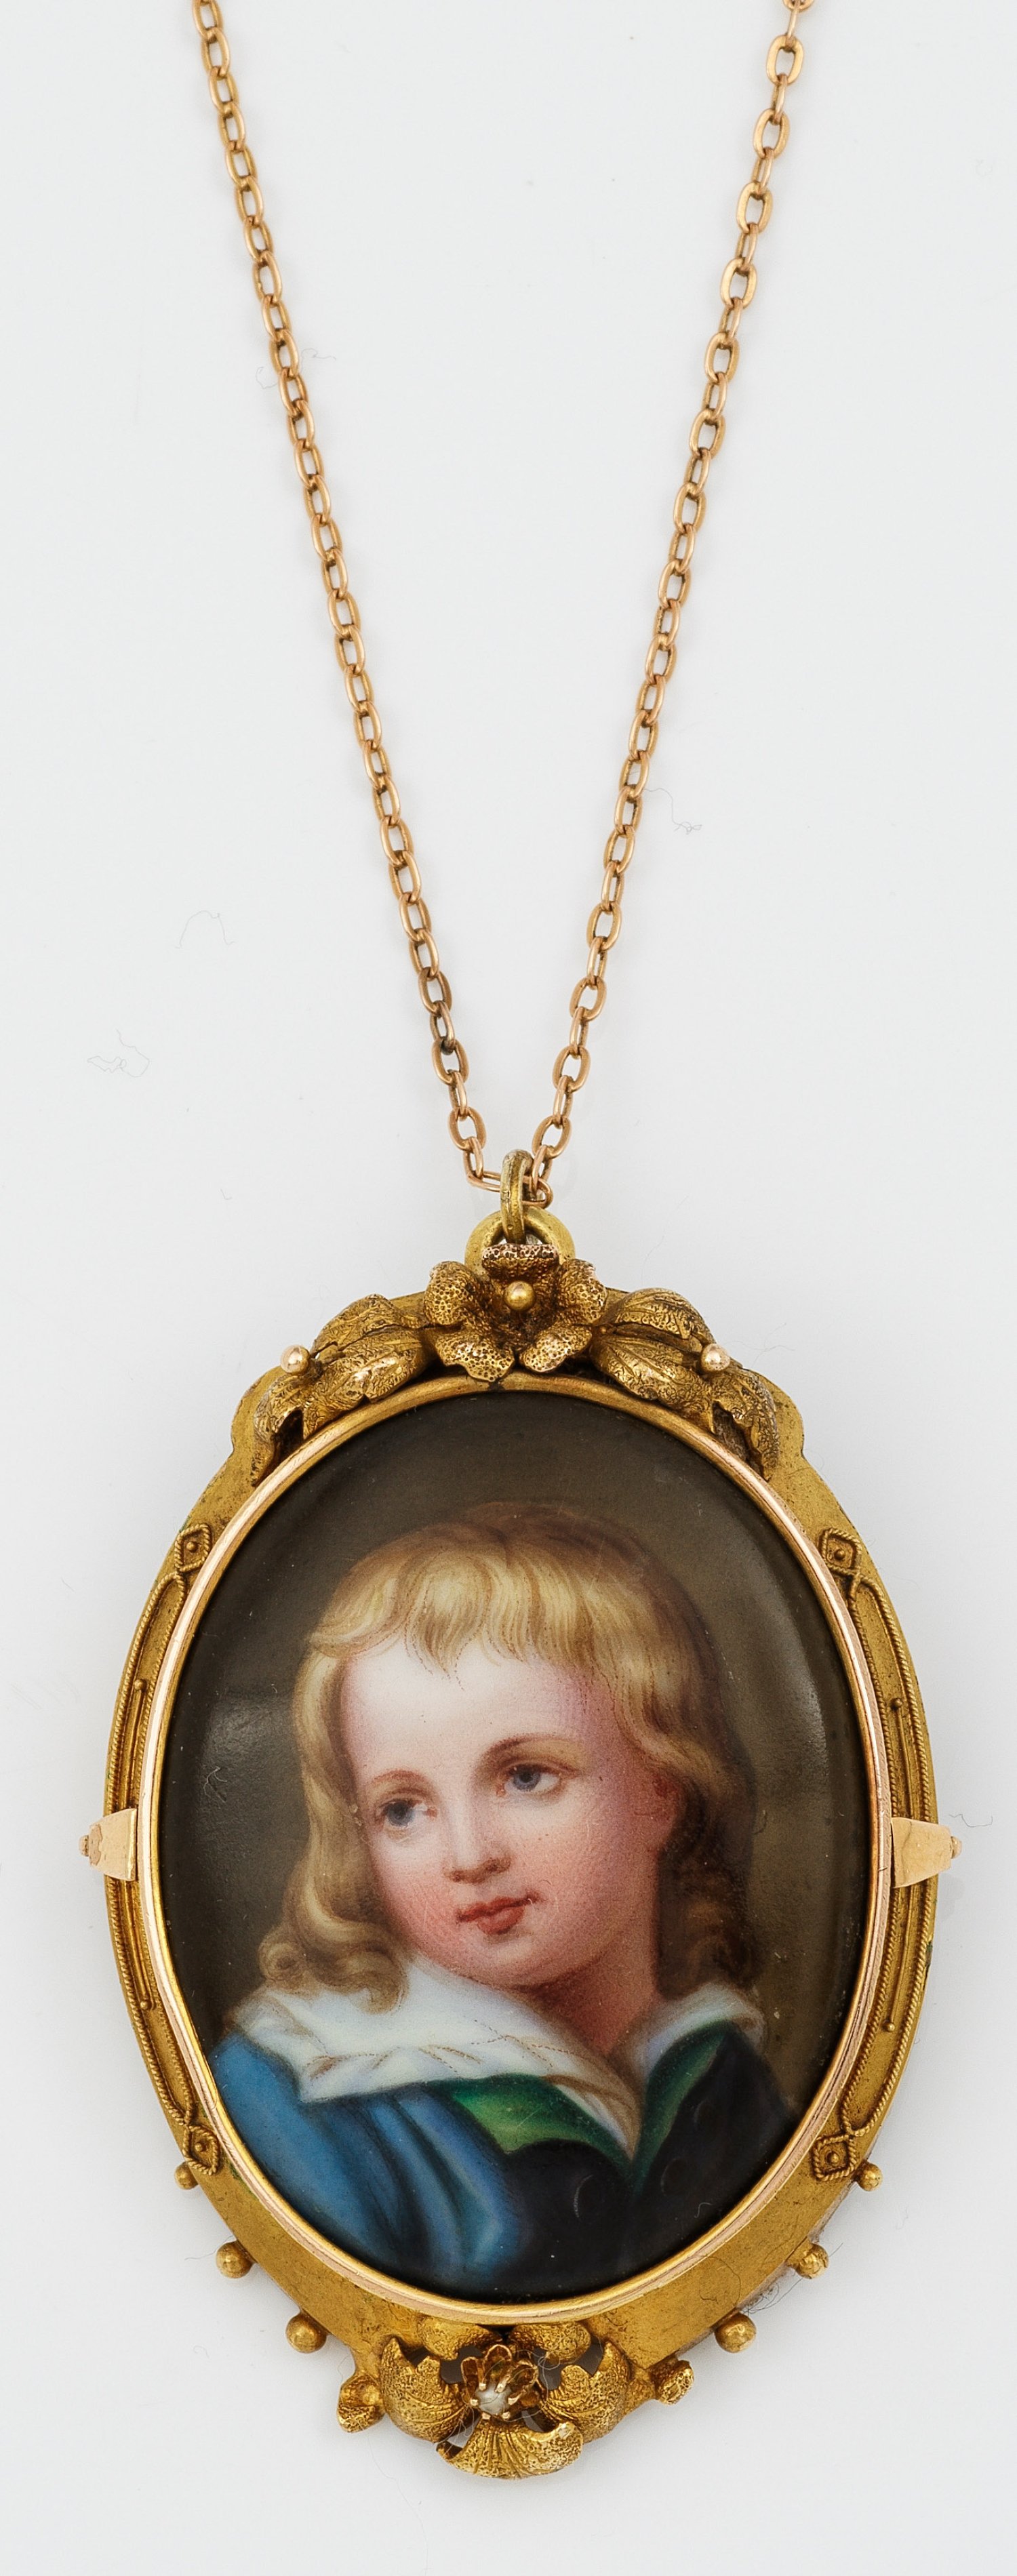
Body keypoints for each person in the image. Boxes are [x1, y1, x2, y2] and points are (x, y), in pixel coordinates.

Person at [213, 1504, 790, 2301]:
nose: (469, 1854)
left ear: (661, 1786)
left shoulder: (717, 2068)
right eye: (402, 1808)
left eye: (525, 1776)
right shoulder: (302, 2089)